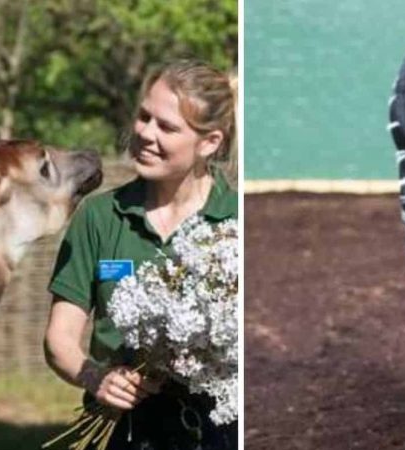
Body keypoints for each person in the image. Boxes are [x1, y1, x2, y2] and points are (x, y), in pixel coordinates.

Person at [45, 59, 238, 450]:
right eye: (144, 117)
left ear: (210, 142)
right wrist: (96, 378)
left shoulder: (237, 221)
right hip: (129, 432)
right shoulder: (99, 217)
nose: (145, 133)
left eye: (166, 127)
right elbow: (59, 340)